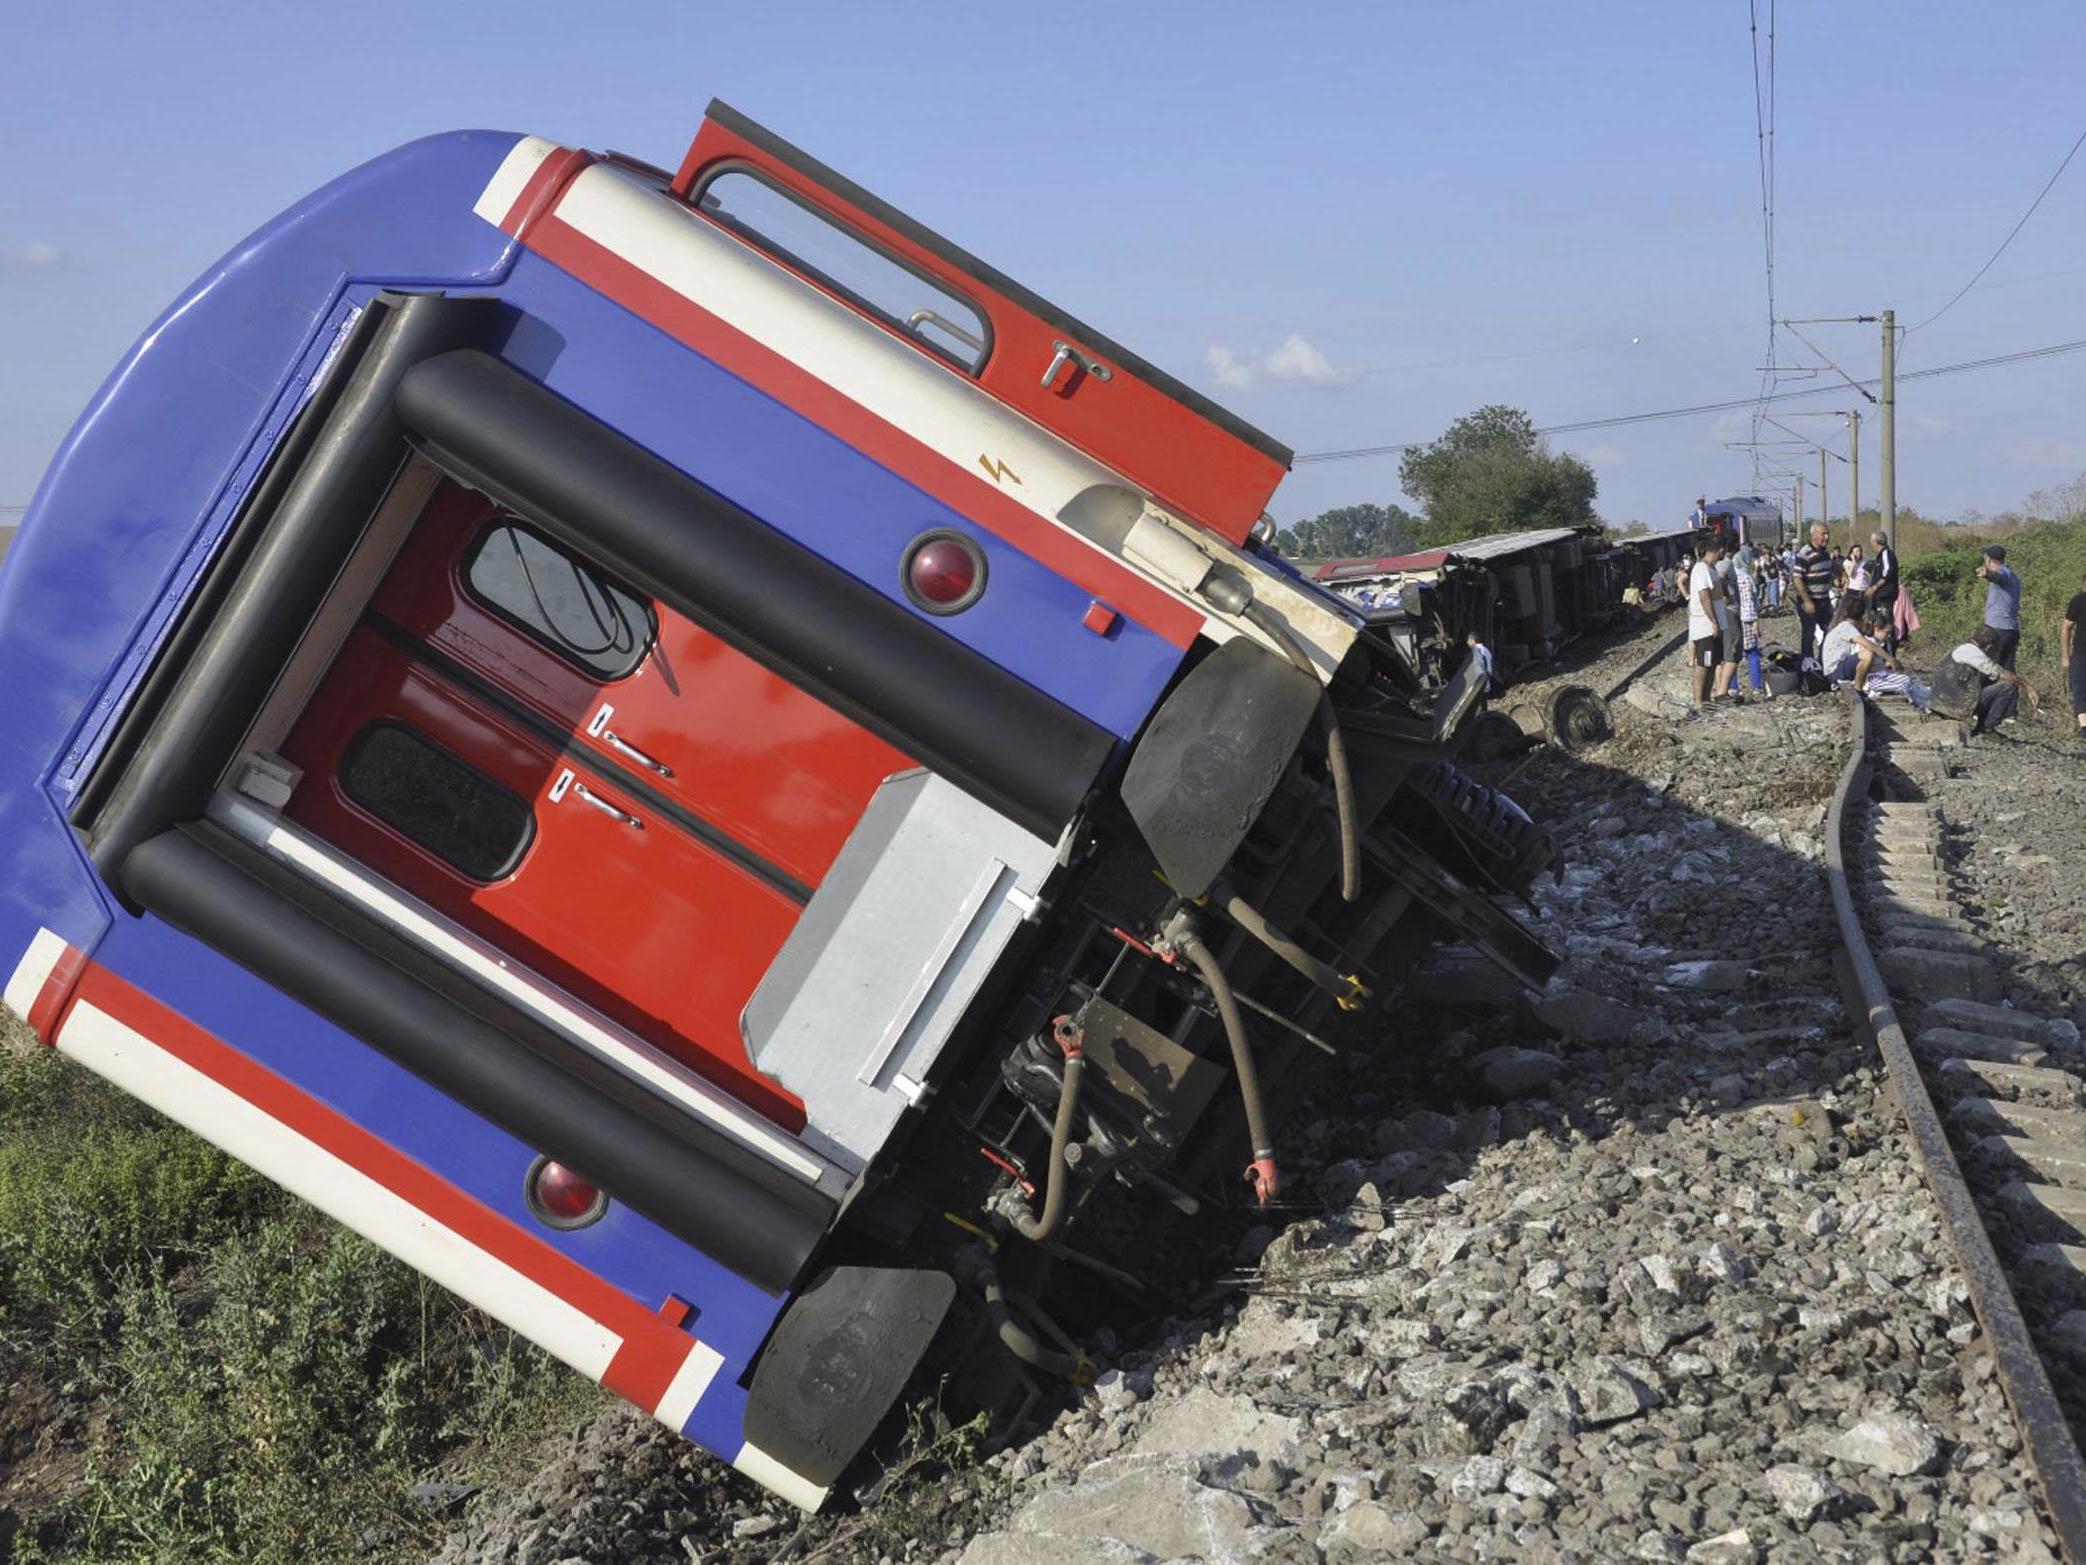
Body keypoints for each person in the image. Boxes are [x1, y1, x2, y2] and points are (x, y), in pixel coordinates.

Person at [1930, 624, 2039, 739]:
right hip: (1955, 704)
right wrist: (2028, 686)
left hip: (1940, 701)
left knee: (1988, 681)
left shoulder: (1961, 649)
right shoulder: (1973, 653)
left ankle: (1982, 726)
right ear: (1989, 646)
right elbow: (2002, 674)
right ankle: (1987, 728)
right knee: (2008, 686)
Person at [1819, 600, 1898, 690]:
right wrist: (1890, 659)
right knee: (1867, 654)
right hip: (1834, 671)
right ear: (1863, 616)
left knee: (1863, 658)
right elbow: (1870, 645)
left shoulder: (1846, 626)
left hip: (1839, 668)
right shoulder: (1847, 627)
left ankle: (1862, 684)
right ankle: (1858, 688)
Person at [1791, 523, 1836, 661]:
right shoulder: (1804, 554)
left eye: (1827, 534)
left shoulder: (1825, 554)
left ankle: (1824, 660)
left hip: (1824, 600)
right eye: (1823, 534)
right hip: (1810, 601)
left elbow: (1827, 572)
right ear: (1814, 535)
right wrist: (1807, 600)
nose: (1826, 537)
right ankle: (1808, 664)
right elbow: (1797, 579)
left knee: (1830, 631)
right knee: (1809, 635)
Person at [1688, 539, 1724, 708]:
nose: (1721, 555)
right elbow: (1704, 596)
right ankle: (1698, 701)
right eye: (1719, 552)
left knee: (1712, 663)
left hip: (1713, 627)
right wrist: (1714, 621)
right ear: (1714, 551)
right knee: (1703, 663)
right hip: (1705, 627)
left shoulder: (1711, 569)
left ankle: (1707, 699)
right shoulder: (1701, 569)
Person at [1977, 544, 2023, 669]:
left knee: (1988, 670)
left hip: (1997, 631)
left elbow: (1998, 577)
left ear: (1989, 559)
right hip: (2010, 629)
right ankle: (2011, 689)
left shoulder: (2003, 573)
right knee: (2007, 670)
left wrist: (1987, 574)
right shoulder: (2013, 575)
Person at [1734, 548, 1766, 691]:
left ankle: (1732, 686)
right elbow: (1750, 603)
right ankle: (1757, 685)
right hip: (1747, 618)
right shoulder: (1747, 578)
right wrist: (1755, 622)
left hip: (1733, 617)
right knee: (1752, 653)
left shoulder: (1732, 575)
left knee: (1732, 655)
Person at [1869, 530, 1901, 650]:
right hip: (1880, 597)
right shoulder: (1879, 556)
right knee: (1879, 624)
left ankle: (1889, 653)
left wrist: (1874, 587)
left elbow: (1887, 573)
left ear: (1876, 542)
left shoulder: (1886, 554)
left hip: (1885, 596)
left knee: (1885, 625)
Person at [2064, 570, 2086, 741]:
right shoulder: (2078, 601)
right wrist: (2065, 656)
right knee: (2079, 687)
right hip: (2081, 652)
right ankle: (2084, 725)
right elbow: (2066, 628)